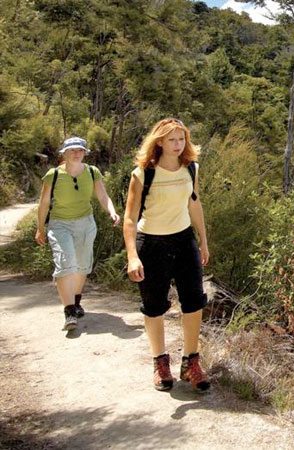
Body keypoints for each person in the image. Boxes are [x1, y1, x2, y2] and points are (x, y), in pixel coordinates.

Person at [122, 118, 211, 392]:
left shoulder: (190, 168)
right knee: (154, 305)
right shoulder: (143, 174)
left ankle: (191, 363)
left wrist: (203, 242)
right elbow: (129, 218)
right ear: (159, 141)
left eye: (182, 139)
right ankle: (160, 363)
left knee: (194, 301)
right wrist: (132, 256)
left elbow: (194, 204)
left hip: (184, 241)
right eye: (172, 139)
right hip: (152, 243)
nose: (178, 145)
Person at [35, 137, 120, 331]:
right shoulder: (53, 174)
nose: (76, 153)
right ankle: (69, 311)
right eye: (72, 150)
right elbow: (44, 203)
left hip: (86, 223)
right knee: (66, 262)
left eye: (80, 150)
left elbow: (102, 195)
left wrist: (112, 211)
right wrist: (40, 228)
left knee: (82, 265)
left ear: (85, 153)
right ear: (63, 153)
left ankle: (76, 301)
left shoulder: (92, 172)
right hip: (60, 224)